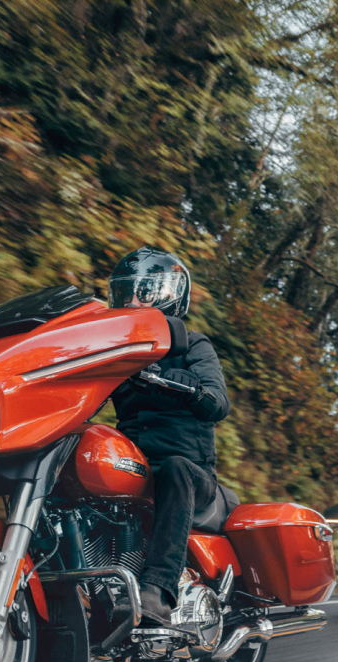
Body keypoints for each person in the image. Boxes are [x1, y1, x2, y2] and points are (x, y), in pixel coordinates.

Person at [109, 246, 231, 624]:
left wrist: (186, 386)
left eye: (139, 292)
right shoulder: (118, 355)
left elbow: (218, 402)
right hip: (137, 469)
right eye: (123, 292)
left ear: (166, 293)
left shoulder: (193, 345)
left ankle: (156, 590)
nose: (129, 300)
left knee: (176, 469)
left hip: (192, 476)